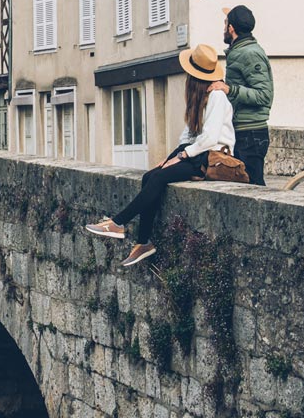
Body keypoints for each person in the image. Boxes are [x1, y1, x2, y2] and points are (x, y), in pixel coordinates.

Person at [86, 44, 236, 267]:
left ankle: (118, 223)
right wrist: (171, 158)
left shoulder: (216, 96)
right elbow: (189, 135)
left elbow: (211, 138)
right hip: (198, 154)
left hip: (212, 158)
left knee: (157, 179)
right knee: (150, 176)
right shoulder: (199, 98)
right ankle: (143, 243)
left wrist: (183, 155)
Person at [223, 4, 273, 186]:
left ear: (231, 28)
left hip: (251, 132)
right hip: (244, 130)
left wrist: (230, 90)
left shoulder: (249, 53)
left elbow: (264, 95)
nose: (223, 29)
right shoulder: (240, 51)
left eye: (225, 24)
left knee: (254, 190)